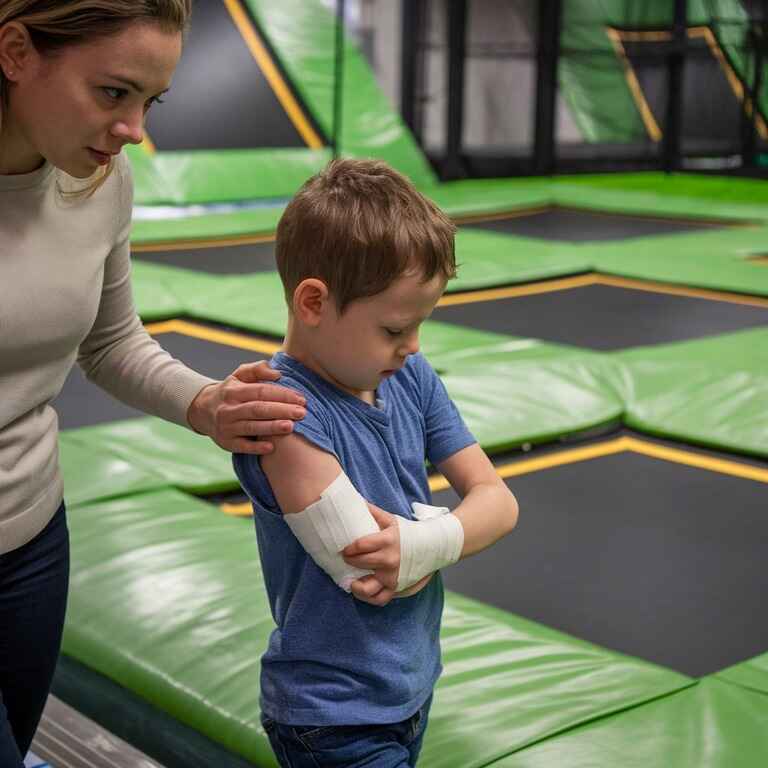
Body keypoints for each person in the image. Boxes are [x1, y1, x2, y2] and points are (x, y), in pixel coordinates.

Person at [0, 2, 306, 765]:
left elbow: (110, 342)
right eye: (114, 93)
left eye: (149, 101)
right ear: (15, 51)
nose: (134, 127)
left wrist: (205, 403)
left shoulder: (101, 181)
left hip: (32, 541)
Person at [234, 158, 519, 767]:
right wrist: (442, 533)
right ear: (313, 302)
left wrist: (426, 539)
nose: (412, 345)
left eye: (420, 325)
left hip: (409, 689)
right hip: (329, 715)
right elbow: (364, 568)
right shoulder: (283, 413)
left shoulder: (410, 377)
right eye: (394, 327)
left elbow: (500, 502)